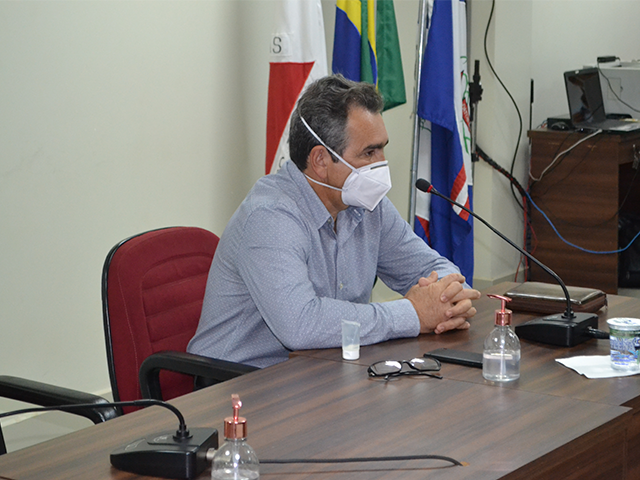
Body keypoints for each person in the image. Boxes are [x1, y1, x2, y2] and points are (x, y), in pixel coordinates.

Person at [188, 74, 480, 368]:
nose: (381, 163)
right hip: (240, 380)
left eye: (382, 148)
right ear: (320, 161)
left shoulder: (367, 206)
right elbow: (300, 324)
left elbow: (434, 268)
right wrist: (413, 314)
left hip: (321, 368)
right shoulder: (270, 216)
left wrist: (445, 299)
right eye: (369, 152)